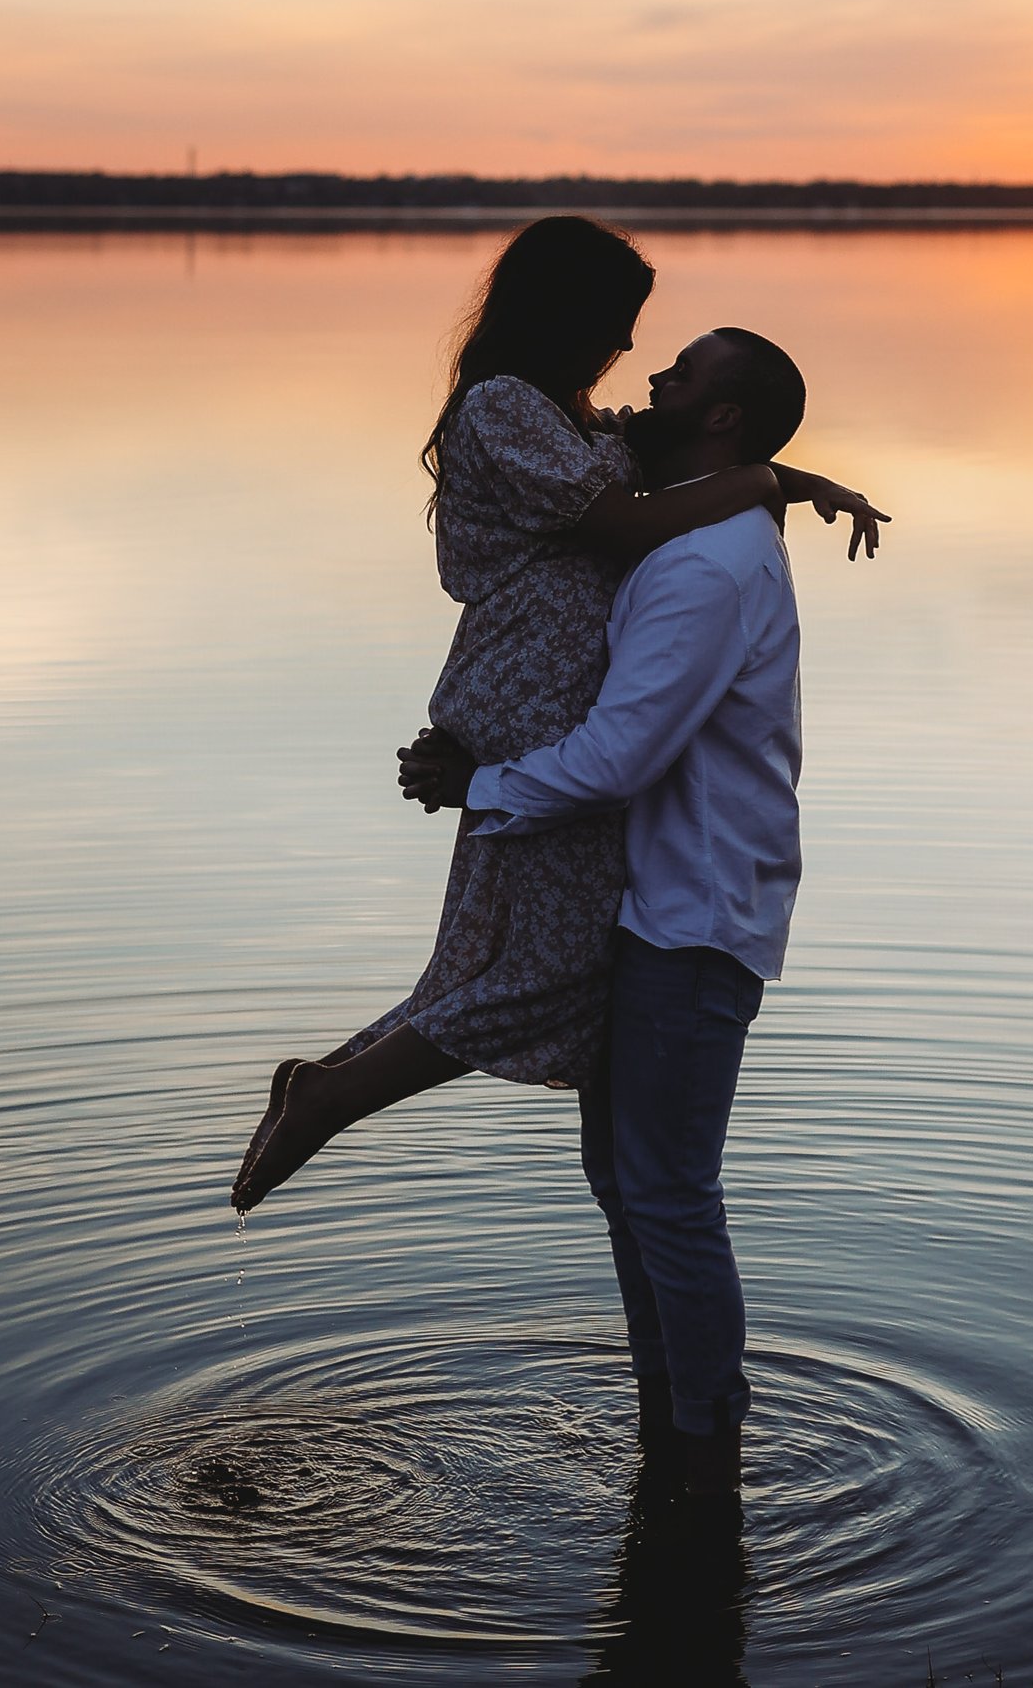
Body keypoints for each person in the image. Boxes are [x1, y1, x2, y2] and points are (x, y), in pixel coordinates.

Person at [230, 221, 882, 1212]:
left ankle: (330, 1081)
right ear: (566, 316)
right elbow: (625, 517)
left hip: (527, 701)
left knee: (483, 958)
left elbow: (686, 451)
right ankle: (337, 1092)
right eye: (620, 328)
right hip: (532, 706)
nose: (629, 353)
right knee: (559, 967)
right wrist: (760, 482)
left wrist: (796, 478)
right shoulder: (505, 409)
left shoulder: (570, 420)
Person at [398, 324, 817, 1507]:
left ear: (724, 418)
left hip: (693, 920)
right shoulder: (686, 529)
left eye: (681, 374)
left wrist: (478, 786)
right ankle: (672, 1439)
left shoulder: (707, 566)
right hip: (644, 911)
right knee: (629, 1187)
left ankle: (702, 1449)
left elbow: (623, 754)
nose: (653, 381)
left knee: (668, 1191)